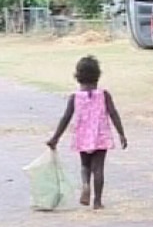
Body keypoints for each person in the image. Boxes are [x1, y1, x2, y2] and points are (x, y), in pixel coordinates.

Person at [47, 55, 127, 209]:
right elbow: (113, 113)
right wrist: (121, 133)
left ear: (77, 77)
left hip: (82, 136)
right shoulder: (104, 95)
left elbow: (65, 118)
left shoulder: (74, 97)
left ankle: (85, 184)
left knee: (85, 165)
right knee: (98, 168)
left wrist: (55, 138)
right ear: (98, 76)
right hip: (100, 136)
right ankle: (97, 201)